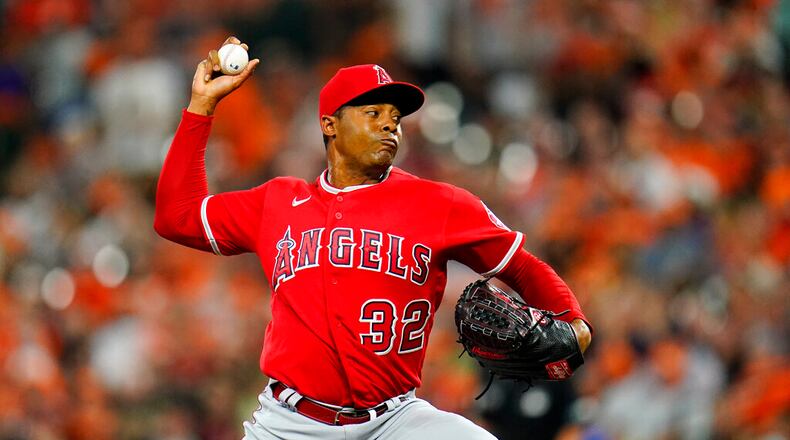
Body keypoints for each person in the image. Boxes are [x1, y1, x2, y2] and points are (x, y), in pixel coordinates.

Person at [154, 37, 592, 440]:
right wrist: (201, 107)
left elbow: (521, 265)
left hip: (396, 421)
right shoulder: (277, 202)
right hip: (289, 425)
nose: (390, 126)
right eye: (373, 114)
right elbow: (177, 217)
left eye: (395, 118)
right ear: (330, 125)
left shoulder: (438, 202)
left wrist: (573, 321)